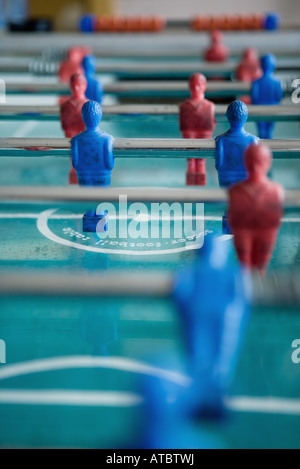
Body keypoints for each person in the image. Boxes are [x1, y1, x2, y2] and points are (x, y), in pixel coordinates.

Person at [228, 143, 284, 275]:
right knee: (245, 266)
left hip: (264, 231)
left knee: (259, 266)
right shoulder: (236, 190)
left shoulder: (275, 190)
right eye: (252, 161)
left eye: (259, 161)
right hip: (247, 230)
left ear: (267, 163)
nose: (255, 166)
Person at [179, 73, 216, 185]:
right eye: (193, 85)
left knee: (200, 161)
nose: (196, 88)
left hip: (204, 132)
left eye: (199, 85)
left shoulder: (209, 106)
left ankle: (200, 188)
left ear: (204, 86)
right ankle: (191, 188)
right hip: (190, 133)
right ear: (189, 86)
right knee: (190, 161)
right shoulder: (184, 106)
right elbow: (184, 127)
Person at [251, 54, 282, 138]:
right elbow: (278, 97)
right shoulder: (277, 82)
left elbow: (254, 97)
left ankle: (261, 149)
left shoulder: (256, 82)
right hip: (273, 109)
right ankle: (269, 148)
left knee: (261, 131)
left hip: (259, 109)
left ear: (261, 65)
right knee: (269, 130)